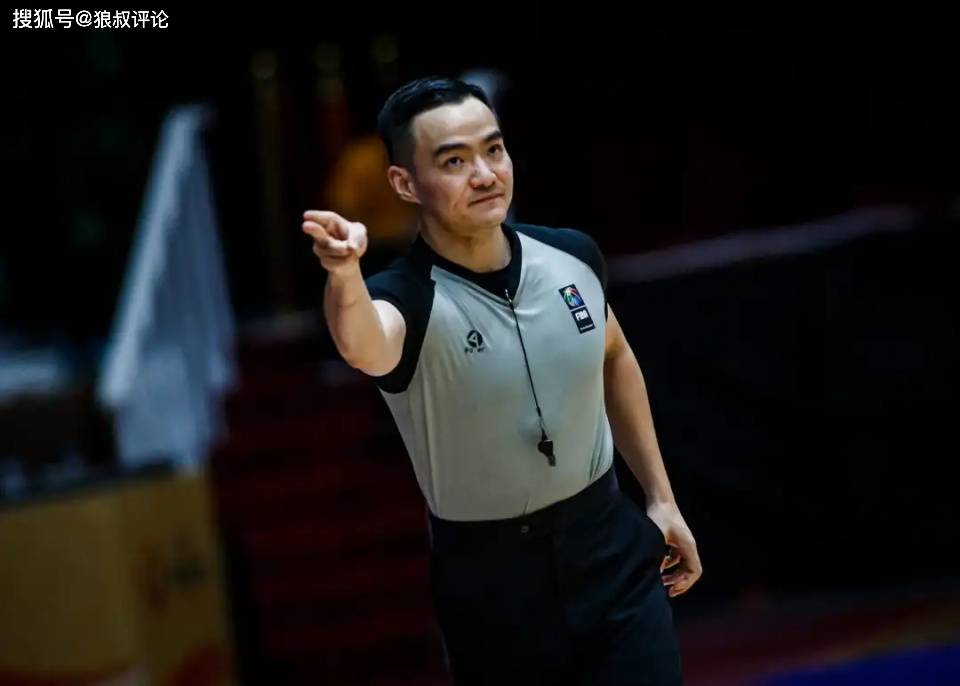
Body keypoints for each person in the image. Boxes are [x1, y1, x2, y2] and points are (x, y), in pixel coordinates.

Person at [302, 77, 701, 685]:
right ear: (405, 184)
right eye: (454, 161)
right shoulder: (402, 300)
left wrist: (660, 496)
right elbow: (361, 343)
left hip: (608, 545)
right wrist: (344, 274)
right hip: (493, 583)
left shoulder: (571, 257)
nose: (485, 174)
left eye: (493, 150)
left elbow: (614, 354)